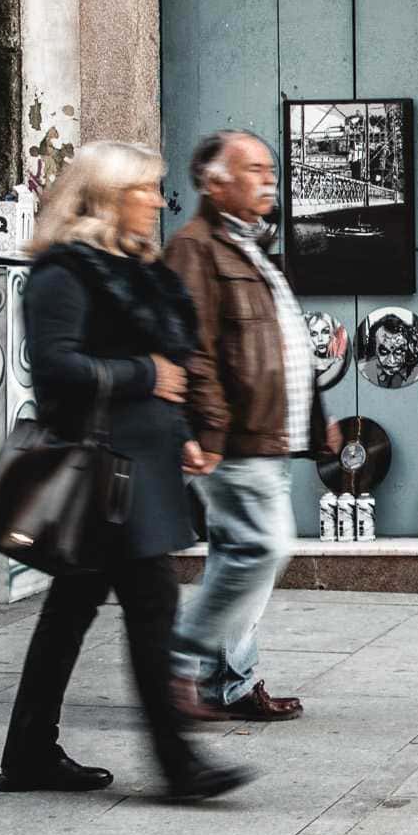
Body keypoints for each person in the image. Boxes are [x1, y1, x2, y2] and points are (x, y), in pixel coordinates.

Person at [0, 141, 250, 800]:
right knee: (151, 606)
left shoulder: (131, 269)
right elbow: (56, 369)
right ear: (107, 196)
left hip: (140, 461)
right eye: (141, 189)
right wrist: (147, 374)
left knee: (71, 610)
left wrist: (187, 429)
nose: (154, 202)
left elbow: (165, 368)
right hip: (104, 471)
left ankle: (27, 753)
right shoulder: (65, 273)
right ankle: (178, 764)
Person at [166, 130, 337, 723]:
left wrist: (316, 423)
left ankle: (227, 683)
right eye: (254, 169)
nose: (269, 179)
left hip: (267, 438)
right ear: (216, 184)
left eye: (270, 168)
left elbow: (288, 343)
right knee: (261, 550)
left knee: (241, 558)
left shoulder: (253, 248)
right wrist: (208, 431)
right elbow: (194, 346)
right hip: (233, 441)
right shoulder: (195, 248)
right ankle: (179, 664)